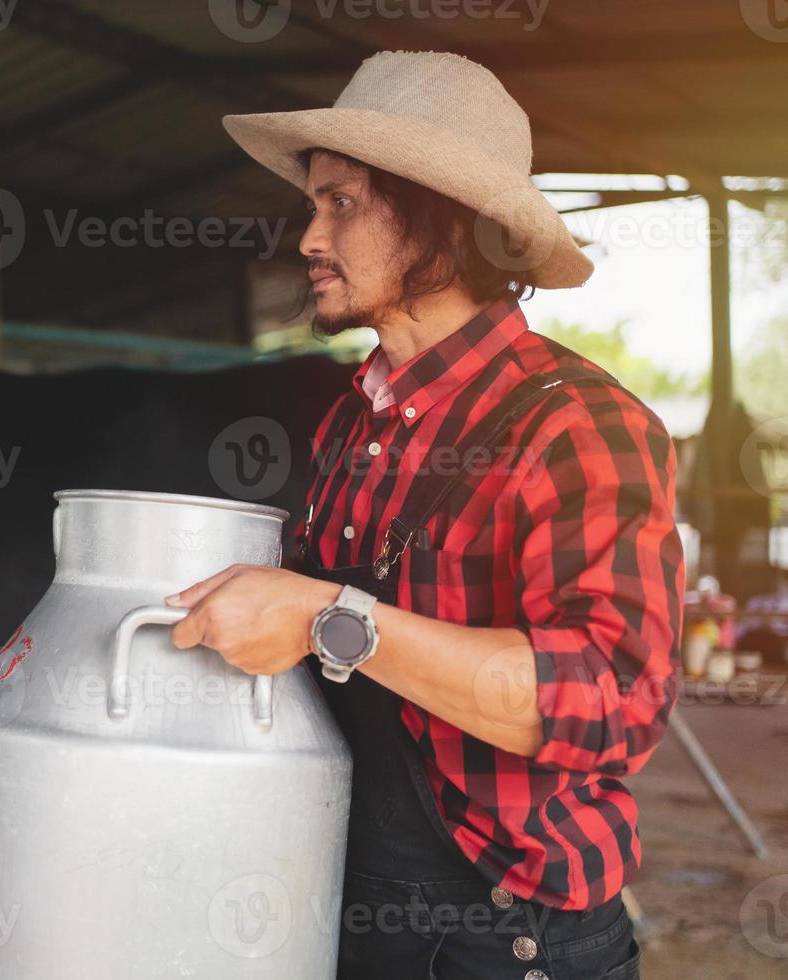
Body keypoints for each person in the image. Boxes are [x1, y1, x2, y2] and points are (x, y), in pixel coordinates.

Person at [167, 52, 682, 979]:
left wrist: (329, 617)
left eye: (343, 203)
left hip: (506, 937)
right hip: (353, 902)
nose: (308, 239)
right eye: (312, 205)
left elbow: (614, 702)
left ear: (445, 215)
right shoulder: (354, 419)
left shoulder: (577, 423)